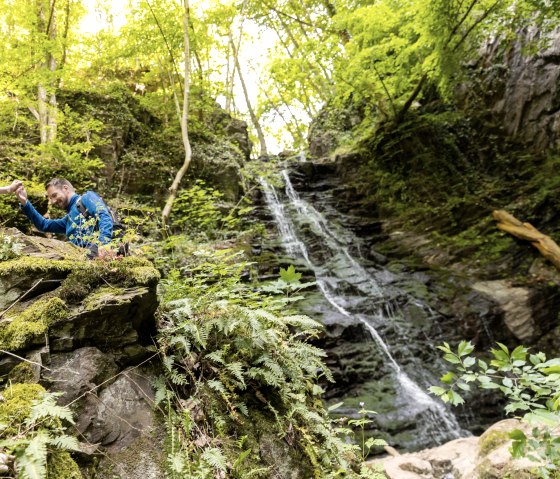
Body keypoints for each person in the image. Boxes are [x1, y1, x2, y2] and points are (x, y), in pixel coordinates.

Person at [15, 178, 115, 260]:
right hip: (81, 257)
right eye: (50, 198)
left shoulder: (87, 197)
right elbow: (43, 225)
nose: (53, 201)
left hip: (99, 253)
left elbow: (104, 216)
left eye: (54, 195)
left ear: (65, 188)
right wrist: (25, 202)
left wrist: (104, 244)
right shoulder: (69, 220)